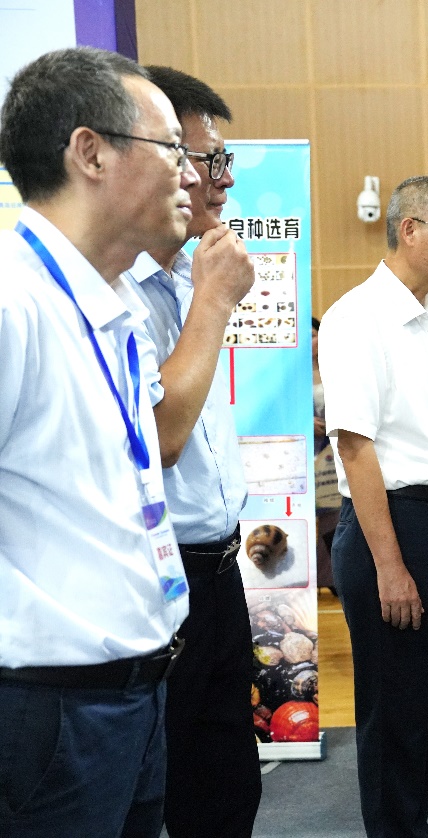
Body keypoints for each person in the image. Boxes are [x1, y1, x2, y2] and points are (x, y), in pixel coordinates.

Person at [0, 47, 197, 836]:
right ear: (90, 152)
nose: (191, 174)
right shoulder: (14, 302)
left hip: (133, 693)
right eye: (172, 149)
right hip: (47, 707)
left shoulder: (113, 304)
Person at [119, 66, 259, 838]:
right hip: (159, 579)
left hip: (220, 572)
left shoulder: (185, 277)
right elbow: (164, 439)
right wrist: (213, 300)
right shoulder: (120, 291)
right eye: (209, 159)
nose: (222, 180)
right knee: (156, 795)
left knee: (228, 788)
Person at [319, 175, 428, 837]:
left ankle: (412, 825)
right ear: (410, 230)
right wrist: (389, 566)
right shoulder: (358, 317)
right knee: (394, 708)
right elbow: (356, 448)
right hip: (396, 524)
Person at [313, 316, 339, 590]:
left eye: (315, 335)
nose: (312, 342)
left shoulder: (336, 367)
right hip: (304, 451)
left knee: (333, 513)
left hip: (331, 450)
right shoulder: (292, 375)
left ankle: (332, 576)